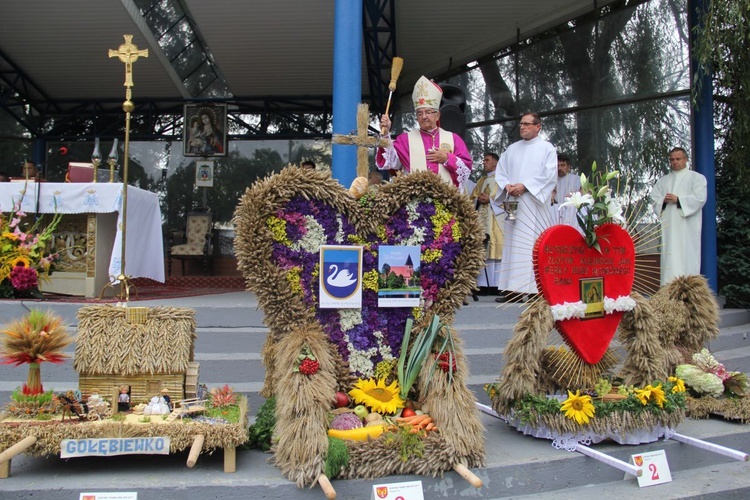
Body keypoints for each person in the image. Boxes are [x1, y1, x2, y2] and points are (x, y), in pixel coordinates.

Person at [494, 112, 557, 300]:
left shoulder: (547, 149)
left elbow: (549, 175)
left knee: (533, 244)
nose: (523, 127)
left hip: (533, 202)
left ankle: (535, 289)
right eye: (521, 123)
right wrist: (507, 185)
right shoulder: (512, 149)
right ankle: (511, 289)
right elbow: (501, 171)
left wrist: (525, 186)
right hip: (513, 202)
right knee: (512, 243)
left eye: (527, 124)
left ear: (538, 127)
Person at [377, 76, 472, 189]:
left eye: (428, 112)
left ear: (438, 115)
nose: (424, 117)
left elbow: (466, 169)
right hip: (415, 201)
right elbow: (389, 161)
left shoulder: (453, 139)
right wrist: (385, 133)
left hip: (445, 201)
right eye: (420, 113)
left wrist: (447, 159)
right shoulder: (405, 139)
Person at [650, 147, 707, 286]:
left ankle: (689, 291)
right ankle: (668, 291)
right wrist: (662, 201)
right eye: (672, 160)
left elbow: (700, 198)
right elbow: (654, 199)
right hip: (669, 227)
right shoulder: (663, 181)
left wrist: (679, 200)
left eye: (678, 159)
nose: (675, 162)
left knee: (687, 258)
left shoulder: (696, 178)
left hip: (688, 226)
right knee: (670, 258)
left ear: (686, 159)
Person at [470, 153, 504, 294]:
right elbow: (472, 198)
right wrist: (479, 199)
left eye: (487, 160)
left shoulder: (502, 180)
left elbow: (505, 199)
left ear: (495, 163)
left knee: (495, 251)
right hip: (482, 220)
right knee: (483, 251)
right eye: (483, 160)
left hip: (496, 220)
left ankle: (496, 285)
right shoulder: (482, 180)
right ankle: (483, 285)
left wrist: (490, 200)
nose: (484, 162)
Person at [551, 153, 582, 227]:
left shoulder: (577, 179)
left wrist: (575, 196)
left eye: (562, 165)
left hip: (573, 213)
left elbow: (582, 194)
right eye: (558, 166)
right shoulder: (552, 180)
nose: (559, 168)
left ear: (568, 167)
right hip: (555, 213)